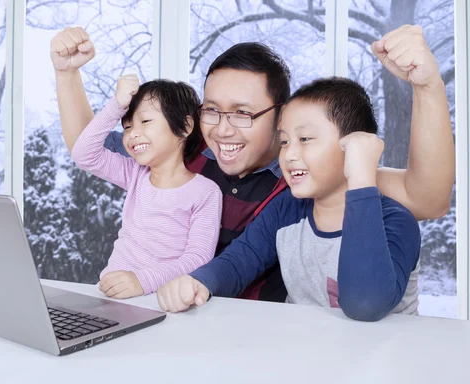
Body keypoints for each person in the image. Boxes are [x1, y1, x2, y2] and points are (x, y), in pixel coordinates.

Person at [50, 24, 454, 302]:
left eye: (242, 113)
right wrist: (67, 75)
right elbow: (88, 146)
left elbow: (429, 198)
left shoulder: (306, 178)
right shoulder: (181, 158)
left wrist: (427, 86)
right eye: (211, 110)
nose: (223, 130)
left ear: (280, 116)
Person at [156, 77, 420, 322]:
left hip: (382, 362)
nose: (289, 154)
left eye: (305, 139)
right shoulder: (287, 209)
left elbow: (365, 304)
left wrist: (362, 177)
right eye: (284, 141)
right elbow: (240, 260)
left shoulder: (396, 222)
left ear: (353, 146)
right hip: (301, 357)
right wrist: (198, 282)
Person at [71, 74, 222, 299]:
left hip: (165, 302)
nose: (132, 134)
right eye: (127, 126)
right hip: (112, 295)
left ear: (185, 126)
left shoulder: (206, 192)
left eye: (145, 121)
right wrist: (116, 106)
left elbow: (198, 259)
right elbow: (83, 153)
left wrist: (143, 281)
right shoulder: (134, 174)